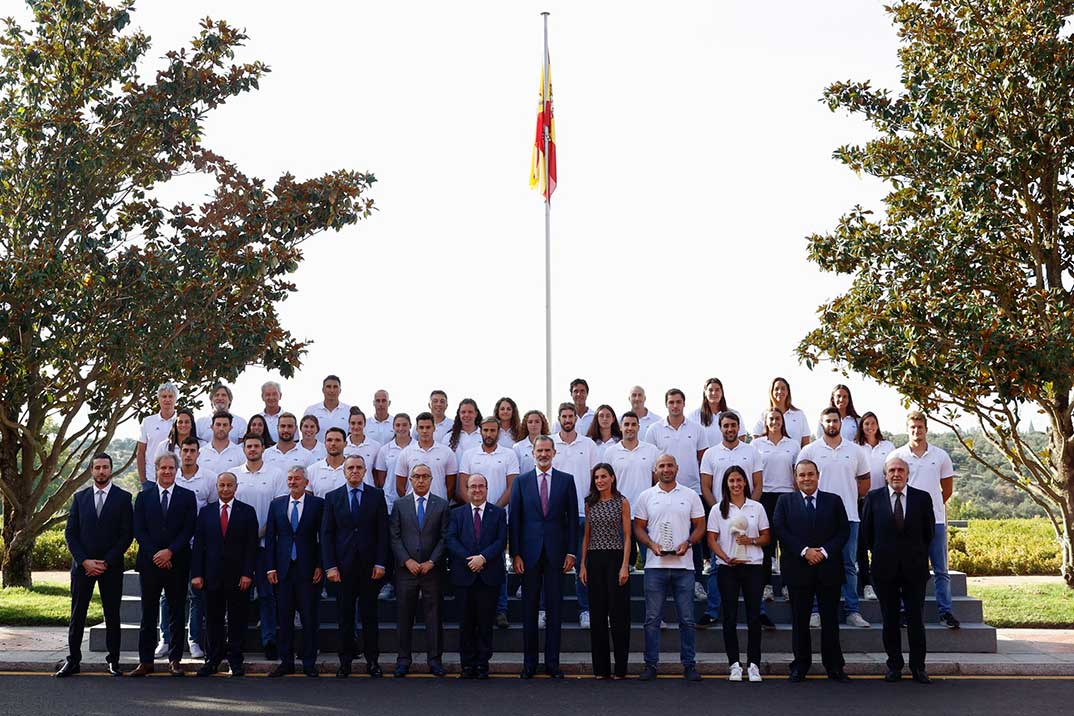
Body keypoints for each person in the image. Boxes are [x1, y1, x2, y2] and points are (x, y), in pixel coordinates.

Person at [772, 459, 851, 682]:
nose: (806, 478)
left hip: (828, 569)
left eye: (810, 474)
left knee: (830, 621)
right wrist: (805, 551)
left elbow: (843, 531)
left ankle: (834, 666)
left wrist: (824, 552)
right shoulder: (784, 502)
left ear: (818, 475)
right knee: (799, 621)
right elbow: (780, 530)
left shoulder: (833, 501)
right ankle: (800, 665)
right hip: (798, 569)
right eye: (802, 475)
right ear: (795, 479)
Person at [57, 453, 133, 678]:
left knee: (112, 615)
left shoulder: (123, 497)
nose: (101, 471)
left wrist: (106, 562)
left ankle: (114, 661)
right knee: (77, 615)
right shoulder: (80, 498)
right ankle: (73, 661)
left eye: (105, 467)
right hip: (83, 567)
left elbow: (126, 535)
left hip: (111, 567)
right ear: (91, 470)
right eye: (97, 467)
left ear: (111, 470)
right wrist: (85, 561)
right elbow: (70, 533)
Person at [860, 456, 936, 684]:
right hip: (885, 570)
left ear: (907, 474)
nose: (896, 474)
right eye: (892, 470)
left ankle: (918, 667)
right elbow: (867, 535)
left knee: (915, 620)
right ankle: (894, 665)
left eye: (900, 470)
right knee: (890, 620)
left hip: (915, 570)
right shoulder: (873, 498)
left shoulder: (922, 498)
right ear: (885, 475)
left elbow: (929, 533)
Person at [509, 435, 578, 679]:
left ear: (554, 452)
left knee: (555, 610)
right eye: (539, 450)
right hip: (528, 555)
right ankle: (529, 664)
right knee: (528, 610)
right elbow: (514, 520)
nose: (543, 454)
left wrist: (572, 551)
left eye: (548, 450)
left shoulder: (567, 481)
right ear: (533, 453)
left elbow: (572, 522)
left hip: (557, 555)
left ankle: (552, 664)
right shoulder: (521, 482)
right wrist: (515, 553)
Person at [632, 453, 705, 682]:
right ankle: (651, 665)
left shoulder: (690, 495)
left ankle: (689, 665)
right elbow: (638, 528)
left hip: (684, 566)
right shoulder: (646, 496)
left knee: (687, 619)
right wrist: (651, 544)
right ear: (655, 470)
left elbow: (700, 525)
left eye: (670, 465)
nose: (666, 469)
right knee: (652, 619)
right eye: (662, 466)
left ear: (677, 468)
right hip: (655, 566)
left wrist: (689, 542)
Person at [798, 406, 872, 628]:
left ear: (841, 423)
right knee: (815, 564)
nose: (831, 424)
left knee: (849, 564)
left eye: (835, 421)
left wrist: (850, 497)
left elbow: (865, 480)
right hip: (818, 517)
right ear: (822, 424)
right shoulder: (810, 450)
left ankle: (852, 611)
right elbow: (800, 481)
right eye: (827, 421)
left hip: (849, 515)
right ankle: (815, 610)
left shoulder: (855, 450)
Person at [128, 454, 197, 677]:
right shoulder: (143, 497)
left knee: (177, 612)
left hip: (177, 562)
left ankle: (175, 660)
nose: (167, 472)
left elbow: (188, 529)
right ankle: (145, 661)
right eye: (163, 468)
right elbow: (139, 529)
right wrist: (157, 554)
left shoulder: (187, 496)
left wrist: (170, 552)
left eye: (171, 468)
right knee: (148, 613)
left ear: (176, 470)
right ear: (156, 470)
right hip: (150, 563)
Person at [889, 411, 959, 629]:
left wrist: (929, 510)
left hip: (935, 520)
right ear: (907, 429)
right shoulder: (897, 456)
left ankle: (945, 612)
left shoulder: (941, 456)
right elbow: (891, 484)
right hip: (906, 522)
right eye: (912, 427)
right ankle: (903, 612)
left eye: (920, 427)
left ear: (926, 429)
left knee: (941, 569)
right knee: (904, 568)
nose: (916, 431)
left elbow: (946, 490)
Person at [321, 455, 389, 678]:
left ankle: (372, 662)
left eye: (359, 468)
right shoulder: (332, 497)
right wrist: (330, 566)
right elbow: (327, 534)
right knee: (345, 617)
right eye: (351, 468)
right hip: (342, 568)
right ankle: (345, 662)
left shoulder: (376, 496)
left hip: (370, 568)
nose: (355, 471)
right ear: (344, 471)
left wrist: (381, 562)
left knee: (370, 617)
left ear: (365, 471)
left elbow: (383, 533)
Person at [191, 472, 259, 677]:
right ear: (217, 487)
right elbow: (199, 546)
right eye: (222, 485)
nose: (226, 489)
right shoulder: (206, 512)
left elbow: (251, 546)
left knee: (237, 620)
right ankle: (212, 659)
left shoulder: (247, 512)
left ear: (236, 487)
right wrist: (197, 574)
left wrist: (248, 573)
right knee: (213, 620)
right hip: (211, 577)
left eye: (230, 485)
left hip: (239, 577)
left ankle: (236, 660)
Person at [699, 411, 763, 625]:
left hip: (748, 519)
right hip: (721, 516)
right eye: (725, 426)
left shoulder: (751, 451)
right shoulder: (710, 454)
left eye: (733, 425)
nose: (730, 429)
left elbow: (758, 483)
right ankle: (713, 611)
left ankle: (759, 611)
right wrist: (719, 510)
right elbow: (706, 487)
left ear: (739, 427)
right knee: (718, 565)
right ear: (720, 428)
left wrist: (747, 511)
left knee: (752, 564)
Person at [707, 465, 770, 682]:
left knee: (753, 616)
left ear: (745, 482)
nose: (735, 484)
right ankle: (734, 664)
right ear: (726, 484)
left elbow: (766, 537)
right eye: (731, 481)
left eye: (739, 480)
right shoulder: (718, 509)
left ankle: (754, 664)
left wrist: (750, 541)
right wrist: (724, 557)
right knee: (730, 617)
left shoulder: (757, 507)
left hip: (753, 566)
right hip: (728, 568)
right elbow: (711, 539)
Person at [643, 389, 708, 597]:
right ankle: (661, 580)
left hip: (692, 490)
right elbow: (653, 463)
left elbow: (701, 459)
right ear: (666, 404)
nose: (675, 405)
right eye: (671, 402)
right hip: (663, 491)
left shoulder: (697, 429)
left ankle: (696, 580)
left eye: (678, 402)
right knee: (661, 532)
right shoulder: (654, 430)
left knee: (693, 537)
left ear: (684, 404)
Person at [389, 463, 450, 677]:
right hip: (407, 571)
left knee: (434, 618)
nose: (421, 480)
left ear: (431, 479)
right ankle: (403, 661)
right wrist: (407, 561)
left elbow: (444, 538)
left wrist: (431, 562)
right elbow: (394, 537)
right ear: (410, 480)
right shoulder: (400, 504)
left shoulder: (442, 505)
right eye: (417, 476)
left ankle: (435, 661)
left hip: (432, 570)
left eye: (425, 476)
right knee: (404, 617)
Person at [459, 415, 521, 628]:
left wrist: (493, 509)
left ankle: (501, 610)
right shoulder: (469, 454)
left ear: (498, 432)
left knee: (498, 560)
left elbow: (512, 486)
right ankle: (476, 610)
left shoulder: (509, 454)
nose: (489, 434)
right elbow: (462, 486)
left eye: (493, 430)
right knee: (475, 558)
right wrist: (477, 507)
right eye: (485, 430)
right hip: (473, 514)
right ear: (481, 431)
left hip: (498, 514)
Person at [446, 474, 508, 680]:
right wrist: (470, 560)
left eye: (481, 486)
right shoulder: (456, 513)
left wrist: (483, 558)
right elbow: (451, 539)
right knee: (465, 623)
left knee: (485, 623)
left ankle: (482, 664)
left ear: (487, 489)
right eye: (473, 486)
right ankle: (467, 664)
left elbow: (501, 540)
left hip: (488, 576)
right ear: (467, 489)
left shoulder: (498, 513)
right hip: (464, 576)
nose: (477, 490)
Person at [265, 465, 324, 678]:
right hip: (283, 570)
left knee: (309, 618)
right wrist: (270, 567)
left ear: (306, 482)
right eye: (290, 479)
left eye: (297, 479)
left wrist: (320, 565)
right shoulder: (277, 504)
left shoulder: (318, 505)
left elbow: (322, 538)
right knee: (284, 618)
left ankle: (309, 662)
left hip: (308, 570)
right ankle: (286, 661)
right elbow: (271, 538)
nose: (292, 482)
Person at [234, 434, 287, 660]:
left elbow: (278, 510)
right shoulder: (234, 474)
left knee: (266, 595)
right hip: (238, 548)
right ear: (244, 449)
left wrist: (258, 534)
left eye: (256, 446)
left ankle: (268, 640)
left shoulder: (276, 474)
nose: (253, 449)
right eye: (249, 446)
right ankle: (236, 642)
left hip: (266, 544)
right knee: (238, 595)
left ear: (263, 448)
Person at [579, 463, 632, 679]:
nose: (599, 480)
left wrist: (625, 565)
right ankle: (600, 669)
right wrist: (582, 564)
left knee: (619, 616)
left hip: (616, 557)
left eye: (603, 476)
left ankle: (620, 668)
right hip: (594, 559)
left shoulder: (622, 502)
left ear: (612, 477)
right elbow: (587, 536)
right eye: (596, 477)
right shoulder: (590, 503)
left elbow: (628, 536)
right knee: (598, 616)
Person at [551, 402, 599, 628]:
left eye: (571, 416)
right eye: (564, 416)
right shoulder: (550, 443)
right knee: (552, 563)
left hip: (581, 512)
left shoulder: (588, 444)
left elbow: (594, 479)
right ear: (559, 418)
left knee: (582, 563)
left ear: (576, 419)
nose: (568, 419)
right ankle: (548, 609)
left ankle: (585, 610)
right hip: (554, 515)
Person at [752, 408, 800, 603]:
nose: (775, 422)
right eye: (771, 419)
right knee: (766, 545)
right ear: (766, 422)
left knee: (787, 545)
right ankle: (767, 587)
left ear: (783, 421)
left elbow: (797, 474)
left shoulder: (793, 445)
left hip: (787, 496)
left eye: (778, 418)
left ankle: (788, 585)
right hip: (765, 497)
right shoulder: (756, 444)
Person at [174, 437, 213, 659]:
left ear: (199, 453)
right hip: (175, 546)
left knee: (197, 595)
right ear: (180, 452)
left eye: (192, 451)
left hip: (199, 546)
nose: (188, 454)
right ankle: (167, 638)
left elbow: (213, 510)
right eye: (185, 450)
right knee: (168, 596)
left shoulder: (208, 478)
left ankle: (194, 640)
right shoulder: (173, 476)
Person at [855, 411, 894, 602]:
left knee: (881, 542)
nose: (869, 427)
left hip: (884, 499)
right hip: (862, 500)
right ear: (861, 427)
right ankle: (866, 584)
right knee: (862, 544)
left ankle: (882, 581)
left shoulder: (888, 446)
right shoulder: (856, 448)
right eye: (866, 424)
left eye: (872, 423)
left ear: (877, 425)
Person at [395, 412, 458, 502]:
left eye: (428, 427)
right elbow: (400, 485)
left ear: (434, 428)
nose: (425, 431)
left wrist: (441, 503)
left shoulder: (447, 452)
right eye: (421, 427)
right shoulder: (406, 452)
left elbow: (451, 485)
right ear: (416, 429)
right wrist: (410, 503)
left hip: (439, 506)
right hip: (413, 507)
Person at [603, 412, 659, 511]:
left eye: (633, 424)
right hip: (618, 510)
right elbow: (606, 483)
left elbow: (657, 482)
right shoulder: (610, 452)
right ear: (620, 427)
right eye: (626, 424)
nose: (630, 428)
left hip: (645, 510)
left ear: (638, 427)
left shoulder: (652, 450)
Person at [373, 413, 413, 527]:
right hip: (390, 501)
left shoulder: (417, 447)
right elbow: (381, 479)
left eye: (404, 425)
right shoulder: (385, 450)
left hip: (412, 499)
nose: (401, 428)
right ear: (393, 427)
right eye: (398, 425)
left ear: (410, 426)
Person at [750, 377, 812, 447]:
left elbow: (805, 440)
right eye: (776, 389)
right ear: (771, 392)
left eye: (783, 388)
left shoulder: (799, 414)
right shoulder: (765, 414)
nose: (779, 391)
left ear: (788, 392)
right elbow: (755, 436)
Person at [137, 381, 178, 483]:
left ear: (175, 399)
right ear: (158, 399)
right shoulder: (147, 422)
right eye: (164, 396)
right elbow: (141, 452)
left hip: (178, 479)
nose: (167, 399)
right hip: (151, 479)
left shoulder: (182, 421)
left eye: (170, 396)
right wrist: (143, 479)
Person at [690, 377, 746, 447]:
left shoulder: (734, 414)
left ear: (722, 392)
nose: (714, 393)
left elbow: (741, 438)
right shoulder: (694, 416)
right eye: (710, 390)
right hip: (703, 457)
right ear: (705, 393)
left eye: (717, 390)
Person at [150, 408, 199, 476]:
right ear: (175, 424)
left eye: (187, 422)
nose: (183, 425)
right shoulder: (164, 446)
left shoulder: (202, 445)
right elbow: (157, 469)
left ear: (192, 425)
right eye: (180, 422)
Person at [304, 374, 351, 441]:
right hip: (318, 451)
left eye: (335, 387)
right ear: (323, 390)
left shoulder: (349, 411)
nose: (332, 390)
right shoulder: (311, 411)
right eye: (328, 387)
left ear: (340, 390)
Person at [198, 411, 245, 477]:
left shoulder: (240, 452)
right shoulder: (201, 452)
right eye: (218, 424)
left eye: (225, 425)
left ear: (230, 428)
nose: (221, 428)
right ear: (211, 427)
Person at [307, 427, 348, 498]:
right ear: (325, 443)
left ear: (345, 444)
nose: (333, 443)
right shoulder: (312, 470)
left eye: (337, 440)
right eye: (329, 440)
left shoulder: (354, 469)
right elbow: (308, 499)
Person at [343, 408, 382, 478]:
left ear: (365, 424)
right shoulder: (341, 445)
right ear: (349, 424)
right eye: (353, 423)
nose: (356, 426)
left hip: (368, 488)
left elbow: (377, 473)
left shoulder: (376, 446)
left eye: (359, 423)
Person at [444, 398, 483, 462]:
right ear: (459, 414)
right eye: (463, 412)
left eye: (470, 412)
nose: (466, 415)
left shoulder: (484, 435)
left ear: (476, 414)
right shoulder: (448, 438)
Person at [513, 409, 550, 476]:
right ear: (526, 425)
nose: (533, 424)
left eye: (537, 421)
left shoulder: (551, 444)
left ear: (542, 424)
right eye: (530, 422)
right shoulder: (518, 447)